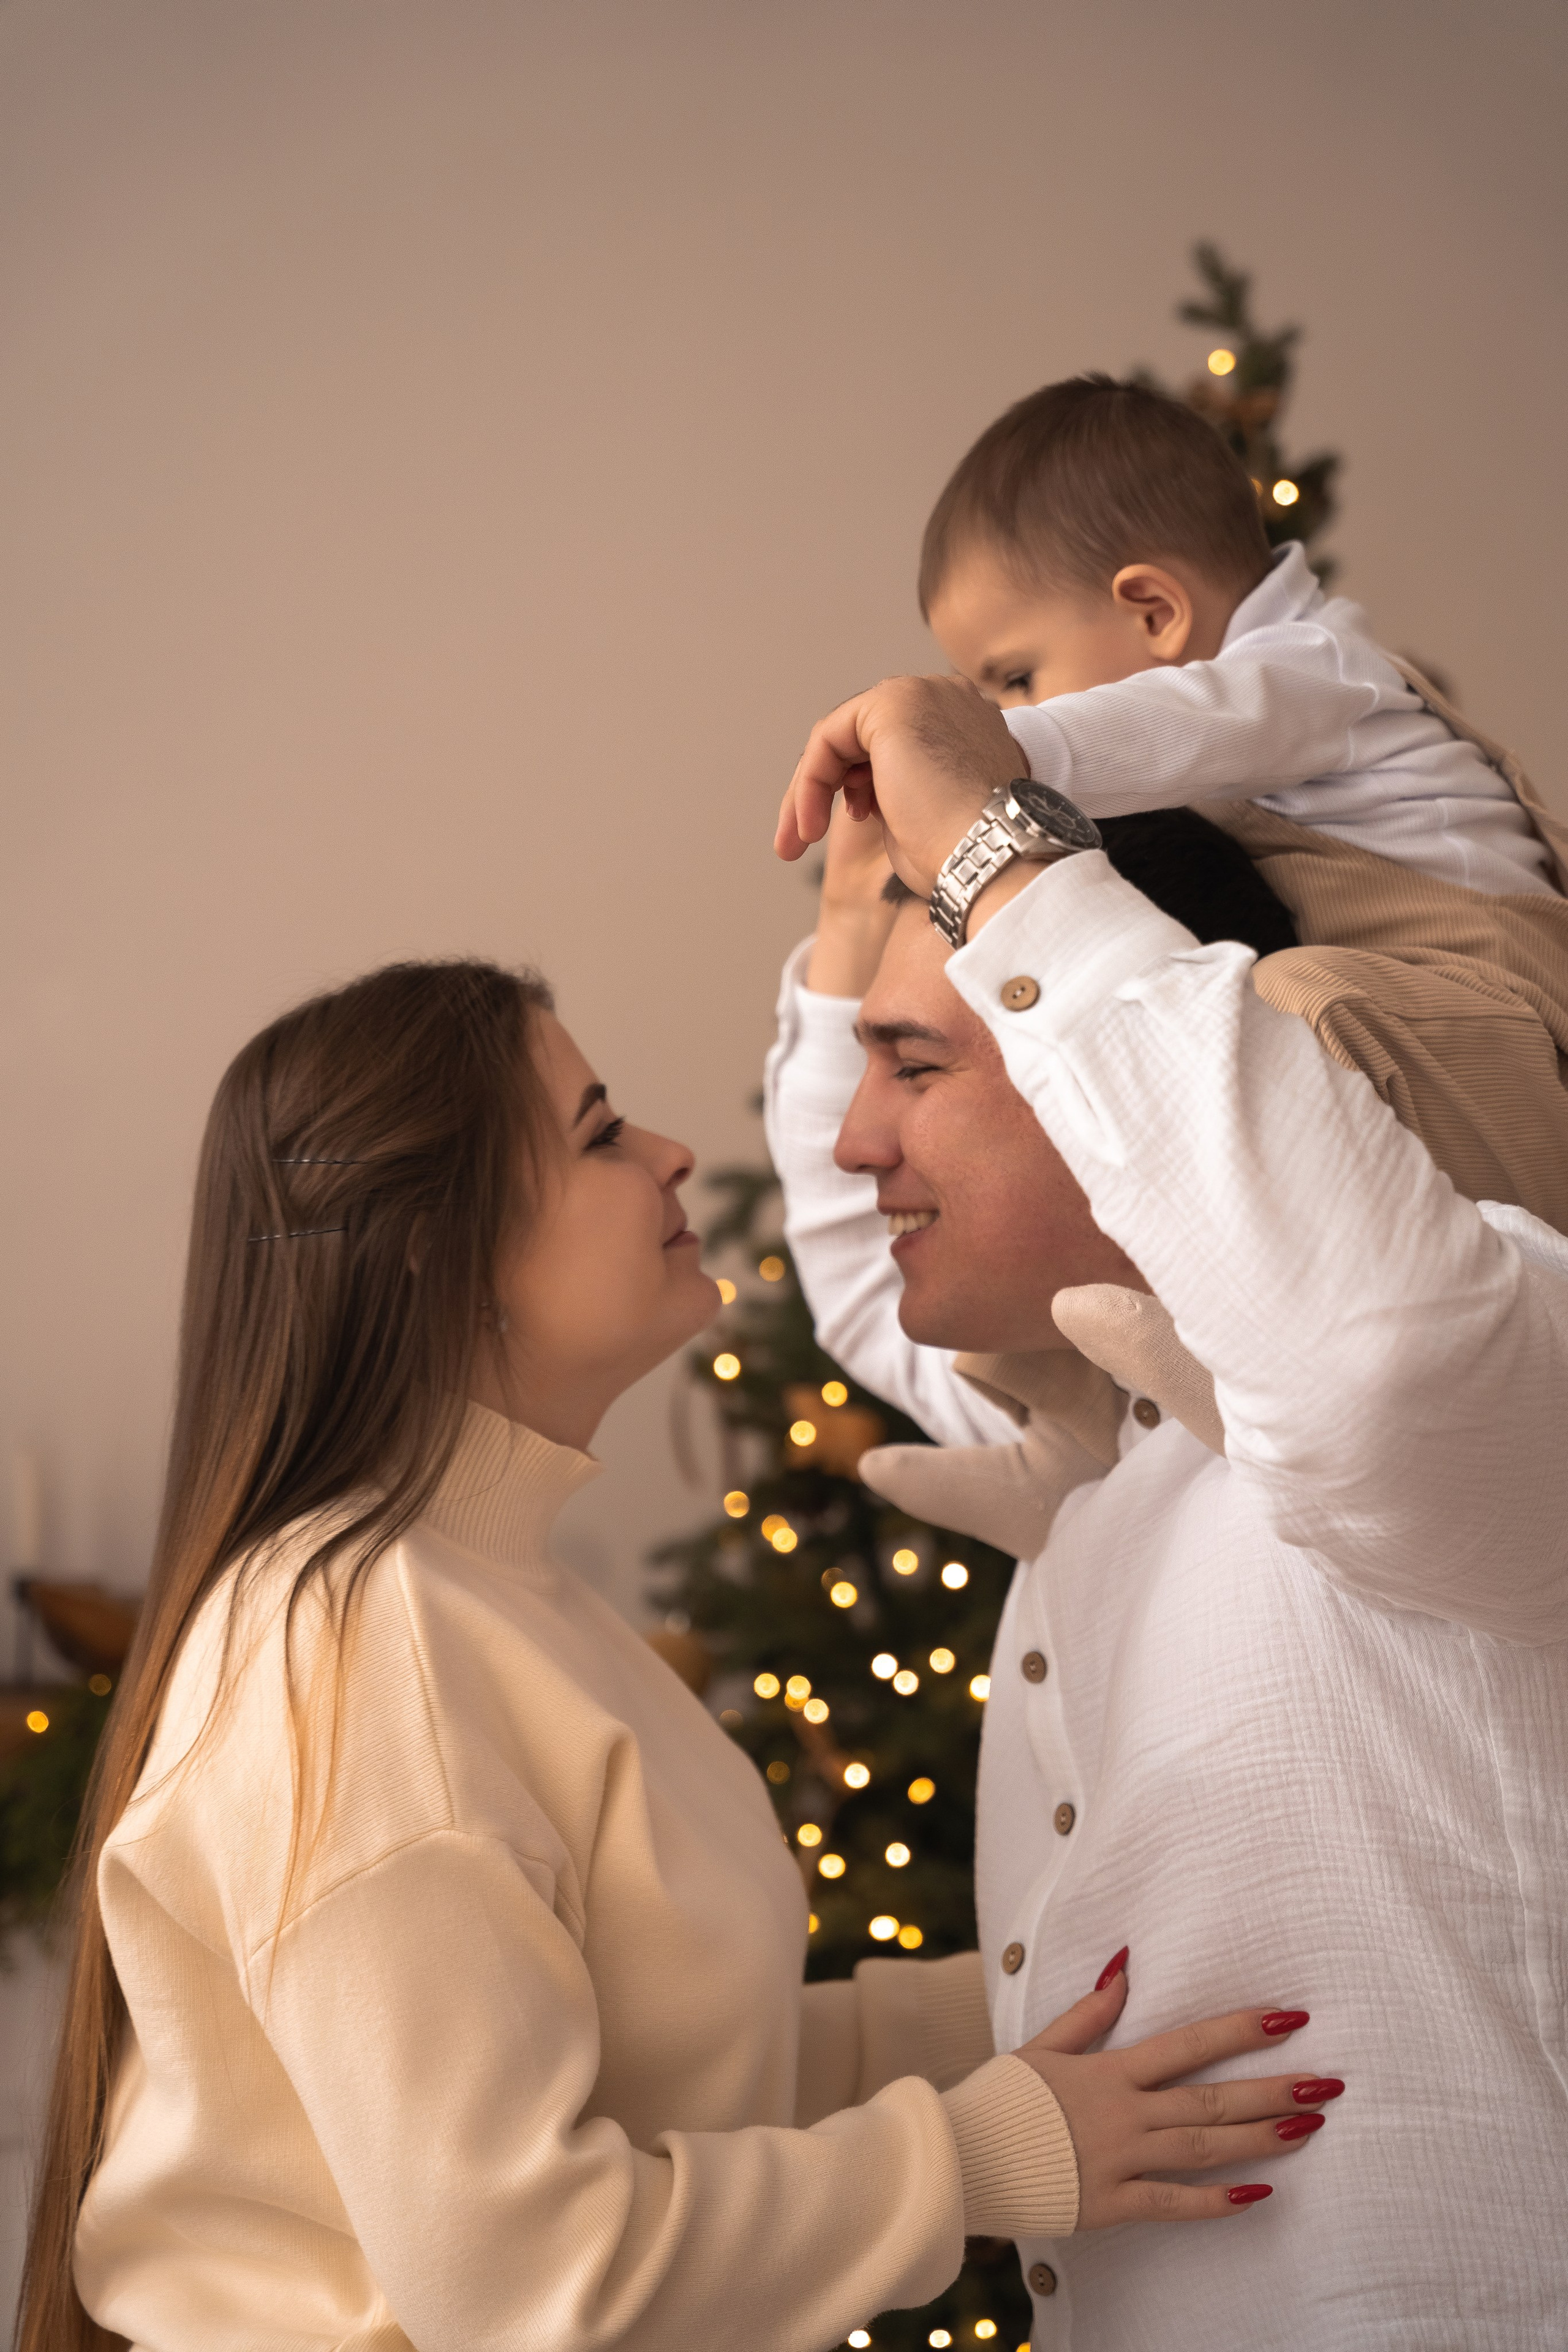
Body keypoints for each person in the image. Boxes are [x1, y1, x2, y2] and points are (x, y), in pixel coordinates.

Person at [20, 960, 1332, 2352]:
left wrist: (1040, 1999)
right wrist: (973, 2157)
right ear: (431, 1245)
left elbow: (690, 2078)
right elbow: (524, 2282)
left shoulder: (504, 1598)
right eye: (595, 1133)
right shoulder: (352, 1637)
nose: (665, 1157)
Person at [767, 677, 1568, 2348]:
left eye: (914, 1066)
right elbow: (855, 1284)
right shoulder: (1103, 1435)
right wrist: (858, 929)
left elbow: (1370, 1363)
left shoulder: (1488, 1360)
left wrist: (998, 849)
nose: (854, 1140)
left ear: (1111, 1054)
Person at [834, 374, 1568, 1230]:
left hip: (1515, 1004)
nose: (1008, 709)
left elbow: (1174, 727)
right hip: (1435, 1019)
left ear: (1154, 612)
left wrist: (980, 756)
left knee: (1282, 1003)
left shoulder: (1312, 674)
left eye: (1017, 678)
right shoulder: (1285, 696)